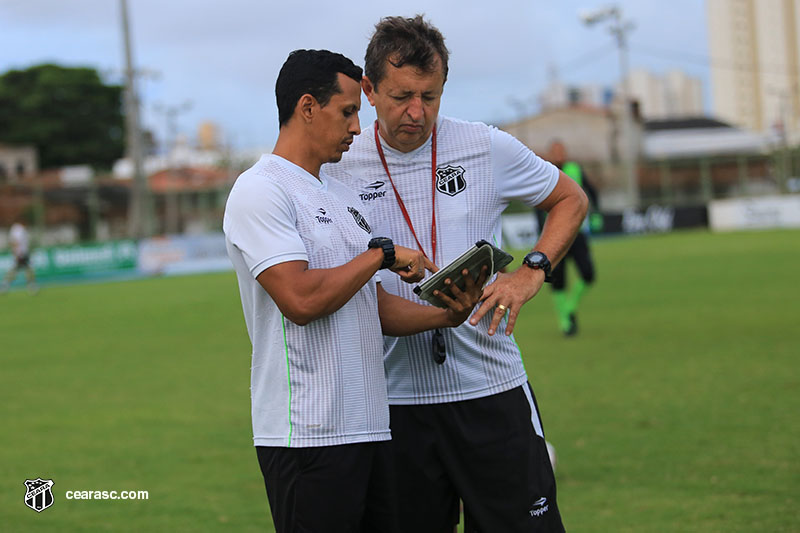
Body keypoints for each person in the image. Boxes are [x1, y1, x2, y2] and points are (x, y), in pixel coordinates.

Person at [325, 16, 588, 533]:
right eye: (402, 96)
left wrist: (532, 271)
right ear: (369, 89)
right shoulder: (336, 162)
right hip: (390, 405)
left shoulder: (484, 147)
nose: (417, 112)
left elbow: (570, 199)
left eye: (431, 95)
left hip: (491, 391)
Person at [222, 49, 485, 533]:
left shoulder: (338, 195)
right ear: (306, 108)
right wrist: (381, 255)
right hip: (308, 436)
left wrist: (446, 315)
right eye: (347, 112)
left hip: (371, 427)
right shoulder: (260, 190)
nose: (356, 129)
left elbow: (373, 306)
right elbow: (301, 301)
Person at [536, 140, 599, 337]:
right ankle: (565, 321)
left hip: (577, 231)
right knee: (558, 280)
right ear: (550, 153)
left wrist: (596, 214)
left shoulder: (574, 169)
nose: (559, 154)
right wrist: (541, 233)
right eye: (555, 150)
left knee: (588, 273)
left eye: (562, 150)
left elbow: (592, 191)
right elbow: (536, 204)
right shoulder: (543, 171)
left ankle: (570, 307)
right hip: (555, 235)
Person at [1, 217, 37, 293]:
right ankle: (31, 286)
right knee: (23, 269)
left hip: (23, 252)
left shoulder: (18, 229)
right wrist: (17, 253)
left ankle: (5, 284)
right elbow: (15, 242)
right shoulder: (17, 229)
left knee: (23, 269)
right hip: (20, 253)